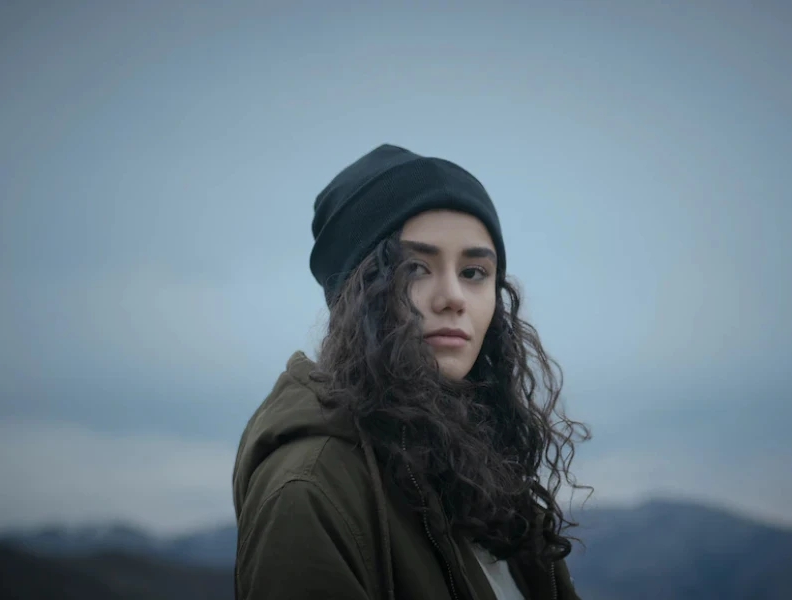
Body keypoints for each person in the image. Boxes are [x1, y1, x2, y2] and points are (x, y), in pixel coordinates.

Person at [232, 144, 591, 599]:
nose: (453, 296)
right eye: (415, 267)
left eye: (475, 272)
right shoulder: (308, 491)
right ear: (356, 291)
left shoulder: (482, 477)